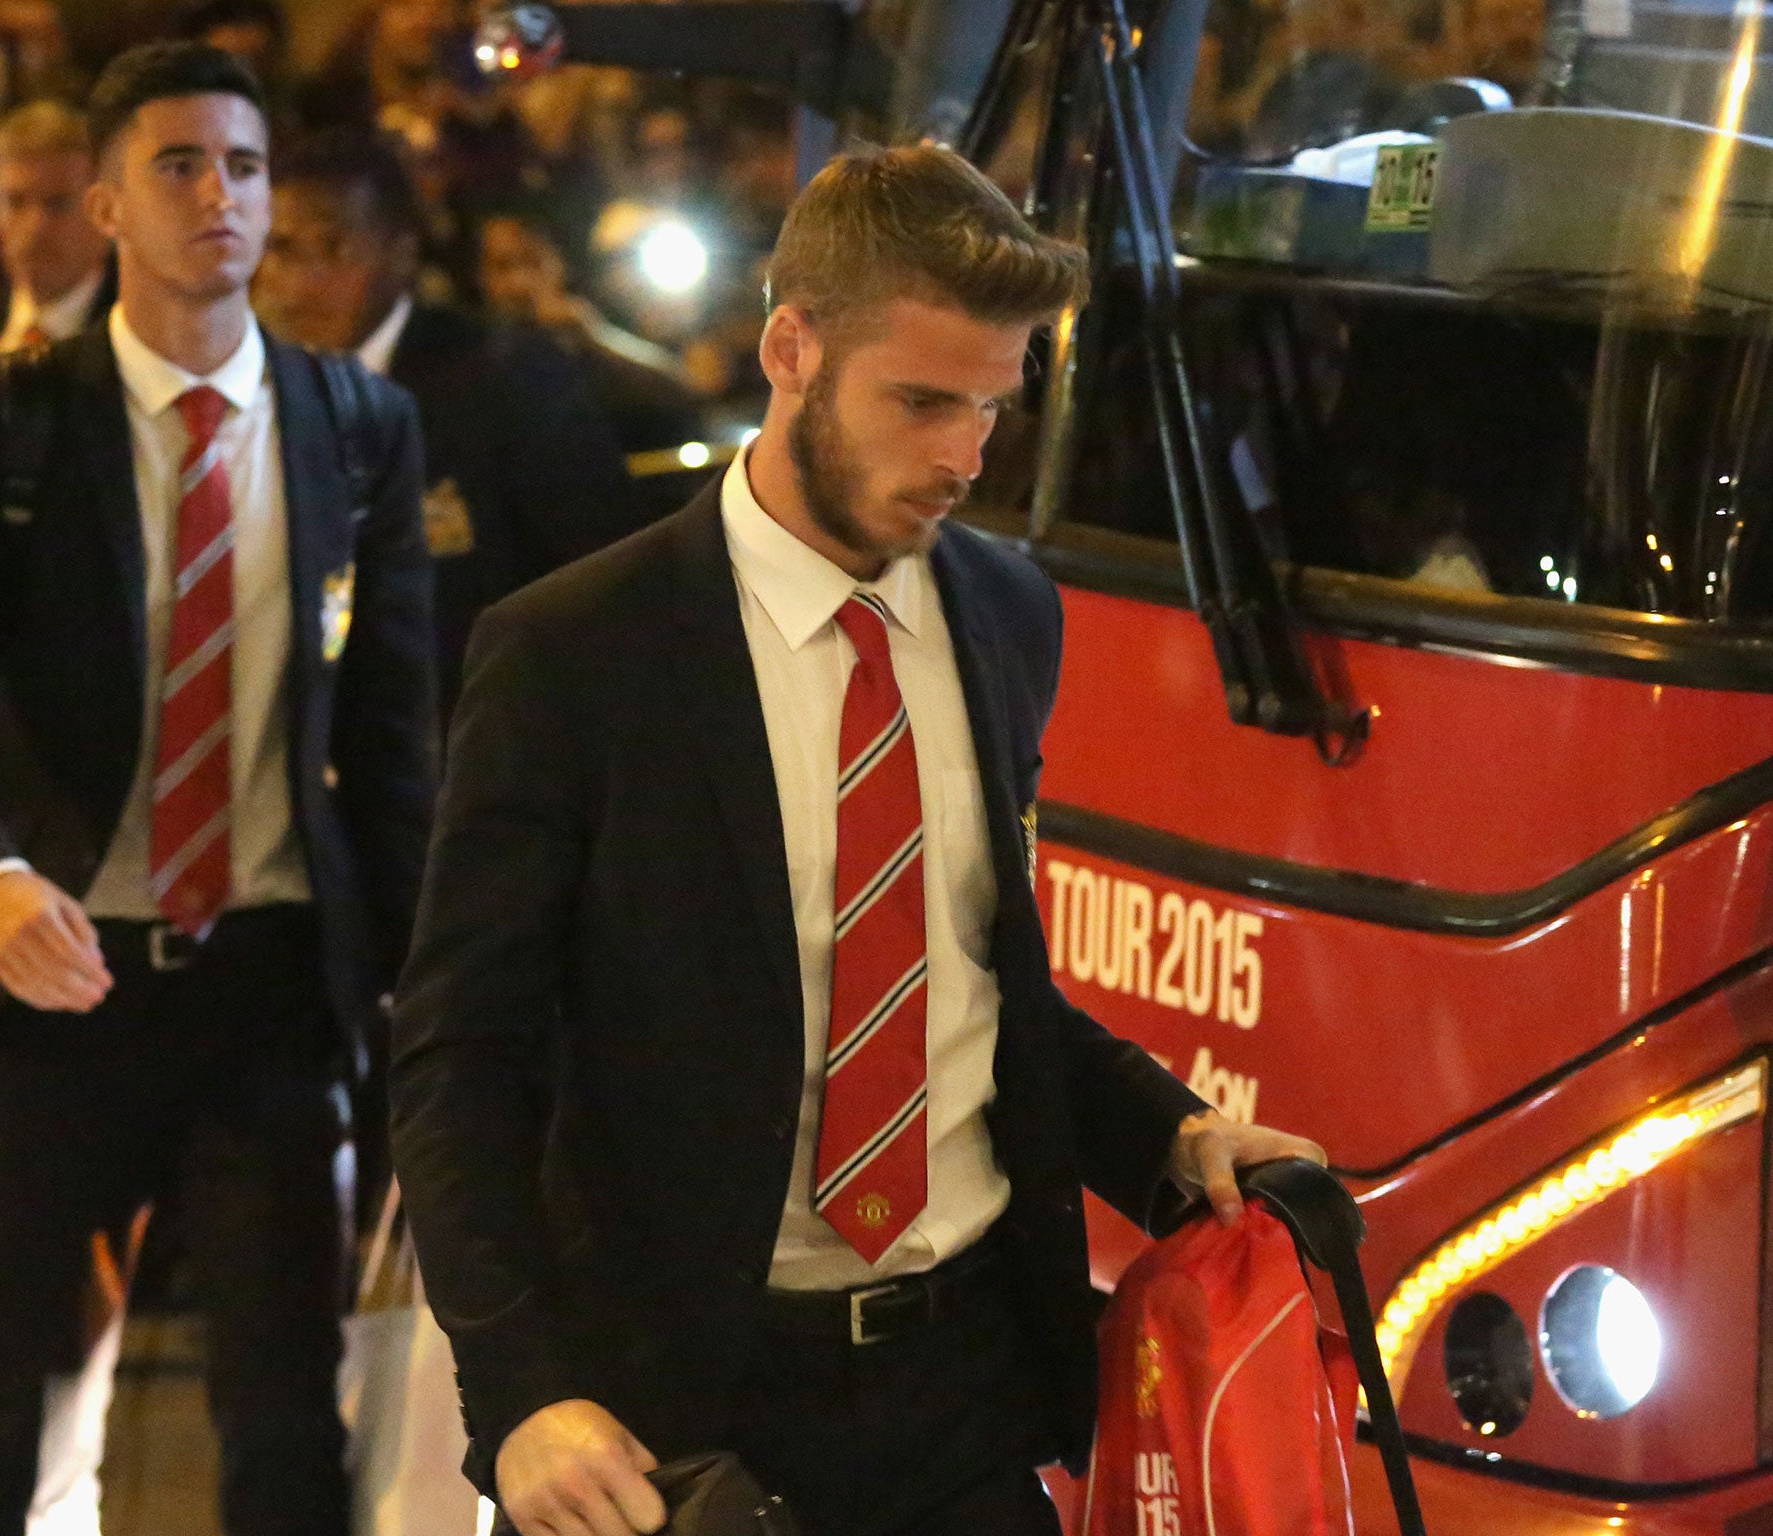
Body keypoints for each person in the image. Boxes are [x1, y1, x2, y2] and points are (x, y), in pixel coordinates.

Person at [390, 144, 1328, 1536]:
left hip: (964, 1389)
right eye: (922, 401)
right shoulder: (573, 651)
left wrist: (1176, 1135)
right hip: (686, 1415)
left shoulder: (1010, 616)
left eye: (993, 411)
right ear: (790, 348)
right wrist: (519, 1395)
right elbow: (461, 1056)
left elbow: (971, 980)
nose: (961, 455)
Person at [0, 41, 437, 1536]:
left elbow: (389, 745)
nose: (221, 198)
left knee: (284, 1401)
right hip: (66, 984)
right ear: (108, 204)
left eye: (244, 167)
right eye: (180, 166)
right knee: (43, 1389)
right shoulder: (18, 418)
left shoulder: (352, 428)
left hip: (266, 980)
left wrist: (419, 986)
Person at [255, 127, 638, 722]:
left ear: (401, 251)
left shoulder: (507, 379)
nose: (304, 279)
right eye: (281, 249)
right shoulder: (256, 391)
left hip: (477, 746)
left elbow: (595, 591)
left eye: (334, 247)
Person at [476, 208, 704, 456]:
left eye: (532, 261)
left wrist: (594, 338)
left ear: (558, 262)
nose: (520, 282)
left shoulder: (596, 327)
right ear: (481, 276)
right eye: (503, 267)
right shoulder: (473, 351)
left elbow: (679, 390)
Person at [0, 98, 112, 390]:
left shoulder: (139, 334)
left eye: (58, 203)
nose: (35, 227)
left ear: (104, 212)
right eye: (14, 203)